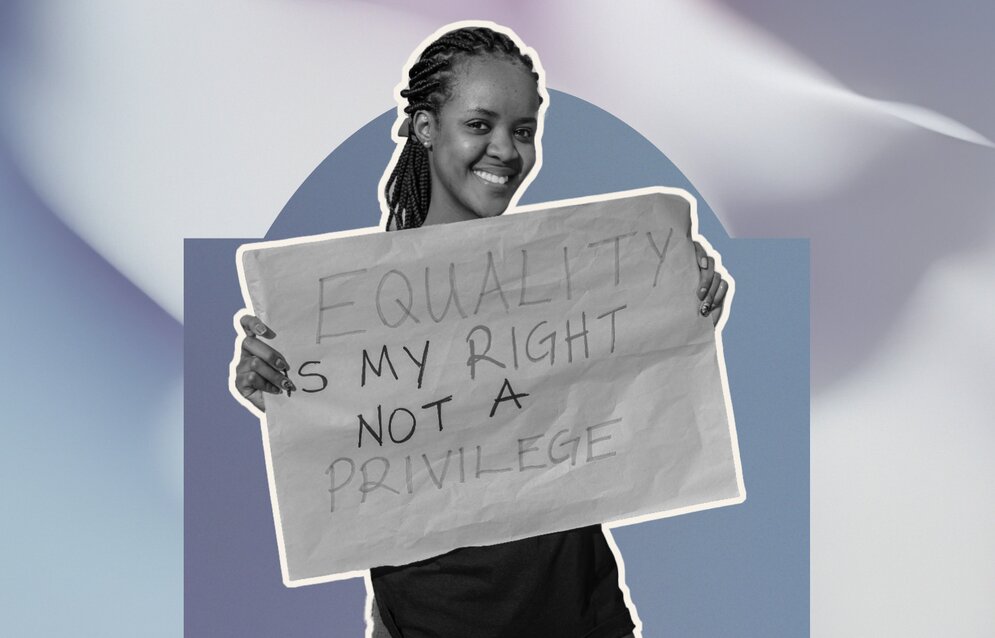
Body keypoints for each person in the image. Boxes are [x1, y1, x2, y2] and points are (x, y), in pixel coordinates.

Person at [233, 24, 727, 638]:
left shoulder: (582, 275)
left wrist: (681, 299)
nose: (506, 150)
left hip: (582, 616)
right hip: (429, 624)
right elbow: (340, 452)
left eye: (523, 131)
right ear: (425, 127)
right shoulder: (343, 313)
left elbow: (631, 395)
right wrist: (278, 393)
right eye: (479, 124)